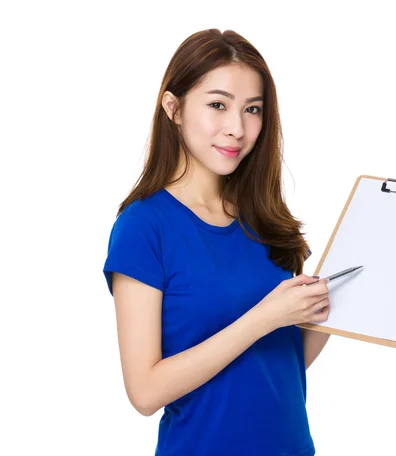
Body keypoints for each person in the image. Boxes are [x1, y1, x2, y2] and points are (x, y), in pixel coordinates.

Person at [102, 29, 331, 455]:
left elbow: (281, 365)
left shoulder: (266, 219)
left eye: (253, 109)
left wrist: (330, 310)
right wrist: (264, 317)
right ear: (173, 108)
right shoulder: (143, 227)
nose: (237, 129)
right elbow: (145, 392)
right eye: (218, 105)